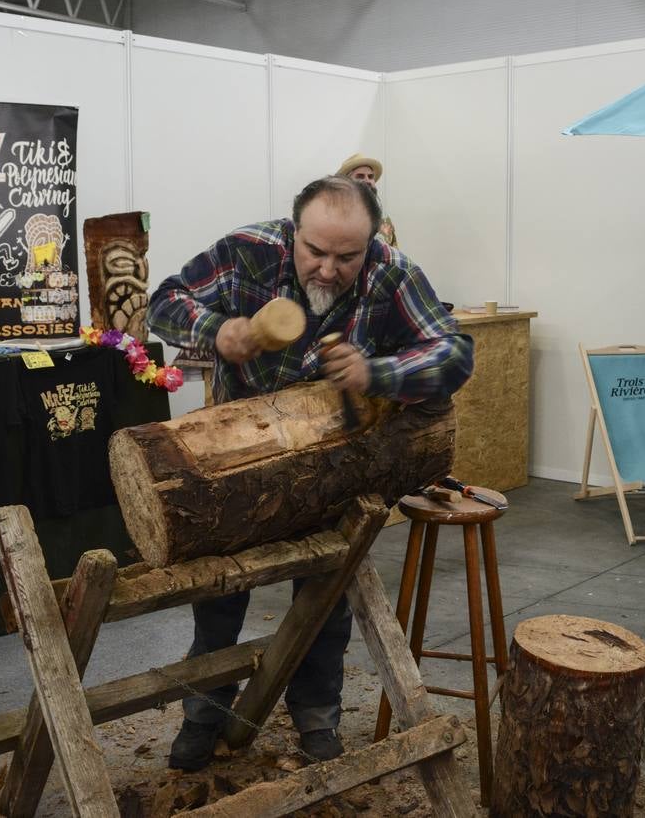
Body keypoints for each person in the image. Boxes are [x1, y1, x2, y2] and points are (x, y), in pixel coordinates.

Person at [146, 175, 473, 770]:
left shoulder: (391, 272)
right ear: (293, 232)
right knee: (219, 597)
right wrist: (217, 330)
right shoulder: (247, 251)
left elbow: (454, 353)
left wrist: (379, 371)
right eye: (315, 251)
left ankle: (317, 722)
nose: (327, 269)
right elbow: (163, 302)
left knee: (326, 600)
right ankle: (203, 716)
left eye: (346, 257)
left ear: (370, 244)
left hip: (331, 467)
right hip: (235, 464)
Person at [337, 153, 398, 247]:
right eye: (360, 176)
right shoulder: (335, 215)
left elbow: (395, 255)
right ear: (346, 183)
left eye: (370, 177)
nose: (367, 181)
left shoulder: (383, 219)